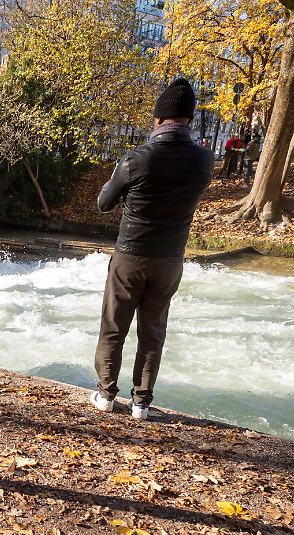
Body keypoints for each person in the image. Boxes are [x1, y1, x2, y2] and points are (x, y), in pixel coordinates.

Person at [90, 77, 214, 420]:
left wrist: (120, 176)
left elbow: (103, 202)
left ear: (158, 118)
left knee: (114, 325)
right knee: (153, 332)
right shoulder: (204, 160)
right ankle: (141, 403)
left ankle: (105, 395)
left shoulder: (136, 160)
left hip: (130, 256)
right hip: (171, 259)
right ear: (188, 119)